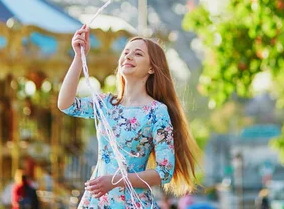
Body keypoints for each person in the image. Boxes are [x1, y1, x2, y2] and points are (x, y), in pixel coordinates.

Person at [58, 25, 200, 208]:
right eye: (126, 52)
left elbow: (164, 172)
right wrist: (79, 57)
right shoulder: (105, 104)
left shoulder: (156, 111)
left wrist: (115, 181)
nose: (128, 56)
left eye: (138, 54)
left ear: (151, 68)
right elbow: (66, 105)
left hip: (132, 202)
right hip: (97, 201)